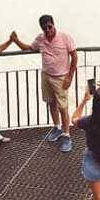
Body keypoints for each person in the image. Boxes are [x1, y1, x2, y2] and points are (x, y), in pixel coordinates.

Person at [10, 14, 77, 153]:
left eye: (49, 27)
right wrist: (15, 40)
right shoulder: (40, 39)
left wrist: (69, 77)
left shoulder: (65, 37)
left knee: (63, 107)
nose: (48, 30)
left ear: (54, 25)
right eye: (44, 28)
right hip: (46, 76)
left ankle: (66, 135)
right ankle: (57, 128)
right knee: (51, 103)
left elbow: (74, 56)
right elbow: (27, 47)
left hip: (61, 77)